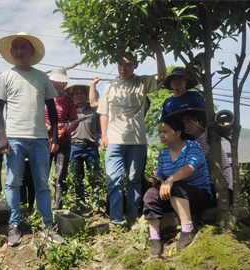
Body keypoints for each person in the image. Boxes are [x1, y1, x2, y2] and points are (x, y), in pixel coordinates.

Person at [0, 32, 64, 246]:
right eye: (16, 47)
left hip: (40, 139)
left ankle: (47, 226)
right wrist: (1, 138)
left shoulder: (42, 77)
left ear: (32, 51)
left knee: (42, 184)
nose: (19, 51)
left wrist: (55, 136)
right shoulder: (5, 77)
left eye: (24, 47)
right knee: (13, 182)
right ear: (11, 52)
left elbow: (51, 107)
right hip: (14, 139)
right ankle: (14, 225)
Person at [97, 39, 166, 228]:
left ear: (135, 65)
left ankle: (131, 216)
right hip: (114, 141)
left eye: (128, 64)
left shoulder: (142, 82)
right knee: (113, 181)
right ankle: (116, 220)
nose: (123, 68)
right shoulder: (110, 87)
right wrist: (104, 135)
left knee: (134, 180)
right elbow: (104, 113)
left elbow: (161, 76)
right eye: (120, 63)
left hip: (137, 141)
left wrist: (158, 50)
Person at [142, 114, 212, 256]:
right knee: (150, 194)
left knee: (176, 186)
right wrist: (157, 181)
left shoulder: (192, 147)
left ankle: (188, 230)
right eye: (160, 132)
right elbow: (161, 176)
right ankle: (155, 239)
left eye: (165, 131)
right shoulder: (163, 154)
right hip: (174, 196)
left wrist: (170, 180)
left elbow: (190, 167)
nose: (161, 135)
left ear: (178, 133)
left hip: (198, 196)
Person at [176, 108, 233, 205]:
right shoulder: (196, 141)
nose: (185, 126)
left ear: (200, 122)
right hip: (214, 186)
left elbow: (192, 165)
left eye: (189, 122)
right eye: (183, 123)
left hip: (222, 188)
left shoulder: (205, 139)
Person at [45, 68, 78, 210]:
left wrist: (63, 130)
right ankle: (43, 205)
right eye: (55, 83)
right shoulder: (44, 98)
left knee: (60, 175)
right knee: (42, 174)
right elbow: (37, 115)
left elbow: (75, 121)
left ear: (65, 85)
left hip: (63, 142)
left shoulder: (69, 100)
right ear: (51, 82)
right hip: (45, 142)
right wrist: (44, 125)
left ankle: (58, 205)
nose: (58, 87)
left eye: (61, 84)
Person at [66, 84, 100, 212]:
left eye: (81, 93)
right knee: (77, 177)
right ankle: (80, 202)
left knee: (94, 176)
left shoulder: (93, 110)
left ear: (86, 95)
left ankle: (96, 201)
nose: (79, 95)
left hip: (91, 147)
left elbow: (99, 128)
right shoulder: (70, 110)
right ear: (73, 96)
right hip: (74, 147)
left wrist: (99, 137)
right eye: (76, 93)